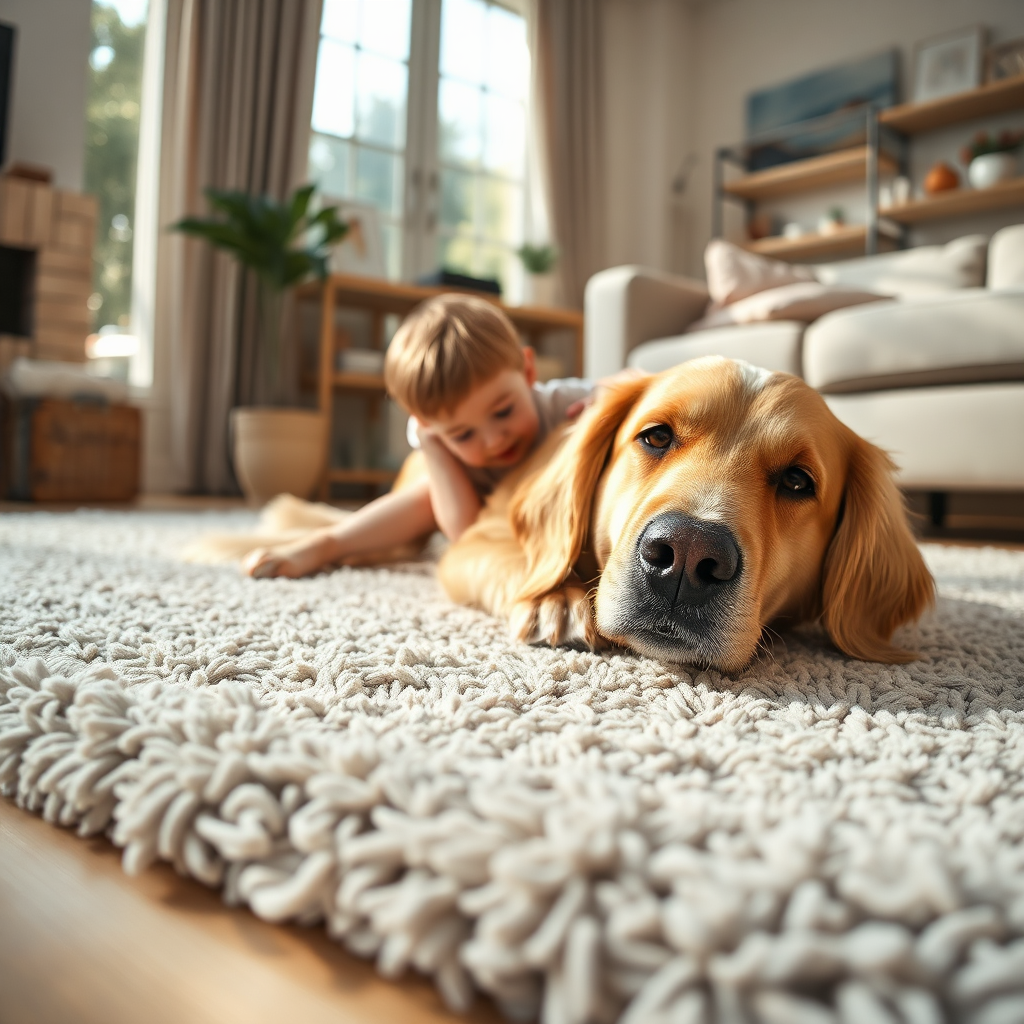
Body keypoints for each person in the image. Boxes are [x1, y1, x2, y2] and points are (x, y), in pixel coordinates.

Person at [241, 293, 594, 578]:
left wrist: (604, 398)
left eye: (503, 412)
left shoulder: (560, 402)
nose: (492, 440)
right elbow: (466, 535)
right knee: (425, 496)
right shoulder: (440, 443)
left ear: (528, 370)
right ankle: (328, 543)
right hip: (473, 507)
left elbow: (633, 382)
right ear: (427, 427)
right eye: (463, 434)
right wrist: (435, 448)